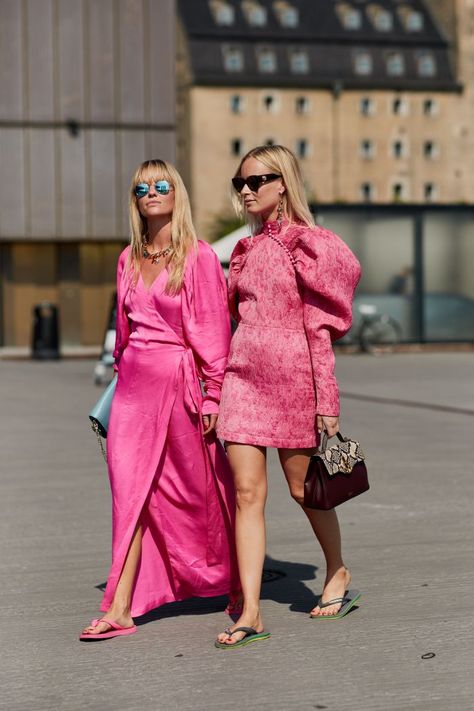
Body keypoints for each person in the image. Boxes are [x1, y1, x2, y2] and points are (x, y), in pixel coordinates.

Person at [80, 159, 239, 640]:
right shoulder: (127, 258)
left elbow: (214, 335)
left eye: (161, 185)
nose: (151, 192)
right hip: (131, 392)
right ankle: (120, 607)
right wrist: (116, 381)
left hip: (181, 389)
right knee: (130, 496)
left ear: (177, 193)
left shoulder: (200, 257)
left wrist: (214, 398)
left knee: (200, 492)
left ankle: (230, 576)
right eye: (142, 188)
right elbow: (124, 336)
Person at [215, 145, 361, 649]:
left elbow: (319, 330)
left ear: (283, 183)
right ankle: (251, 611)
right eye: (241, 183)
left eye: (257, 180)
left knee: (303, 491)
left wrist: (328, 402)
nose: (247, 190)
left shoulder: (309, 245)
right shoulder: (243, 251)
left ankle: (337, 570)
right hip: (242, 380)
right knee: (247, 495)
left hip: (293, 383)